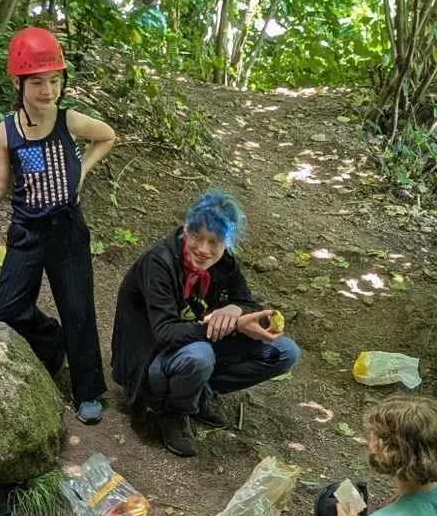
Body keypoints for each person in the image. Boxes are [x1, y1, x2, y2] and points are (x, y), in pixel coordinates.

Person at [0, 28, 116, 425]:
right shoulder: (6, 131)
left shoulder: (71, 121)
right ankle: (52, 344)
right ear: (18, 82)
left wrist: (79, 172)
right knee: (9, 307)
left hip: (67, 229)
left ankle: (87, 391)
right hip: (27, 232)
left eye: (54, 80)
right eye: (37, 82)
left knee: (78, 309)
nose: (47, 90)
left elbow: (107, 137)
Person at [110, 189, 300, 457]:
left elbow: (250, 306)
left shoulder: (224, 264)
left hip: (190, 346)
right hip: (150, 360)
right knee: (200, 356)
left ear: (227, 242)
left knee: (285, 352)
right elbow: (164, 334)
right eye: (196, 237)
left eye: (214, 242)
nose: (203, 249)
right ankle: (173, 412)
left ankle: (200, 393)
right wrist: (228, 325)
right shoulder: (158, 263)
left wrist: (236, 309)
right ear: (186, 227)